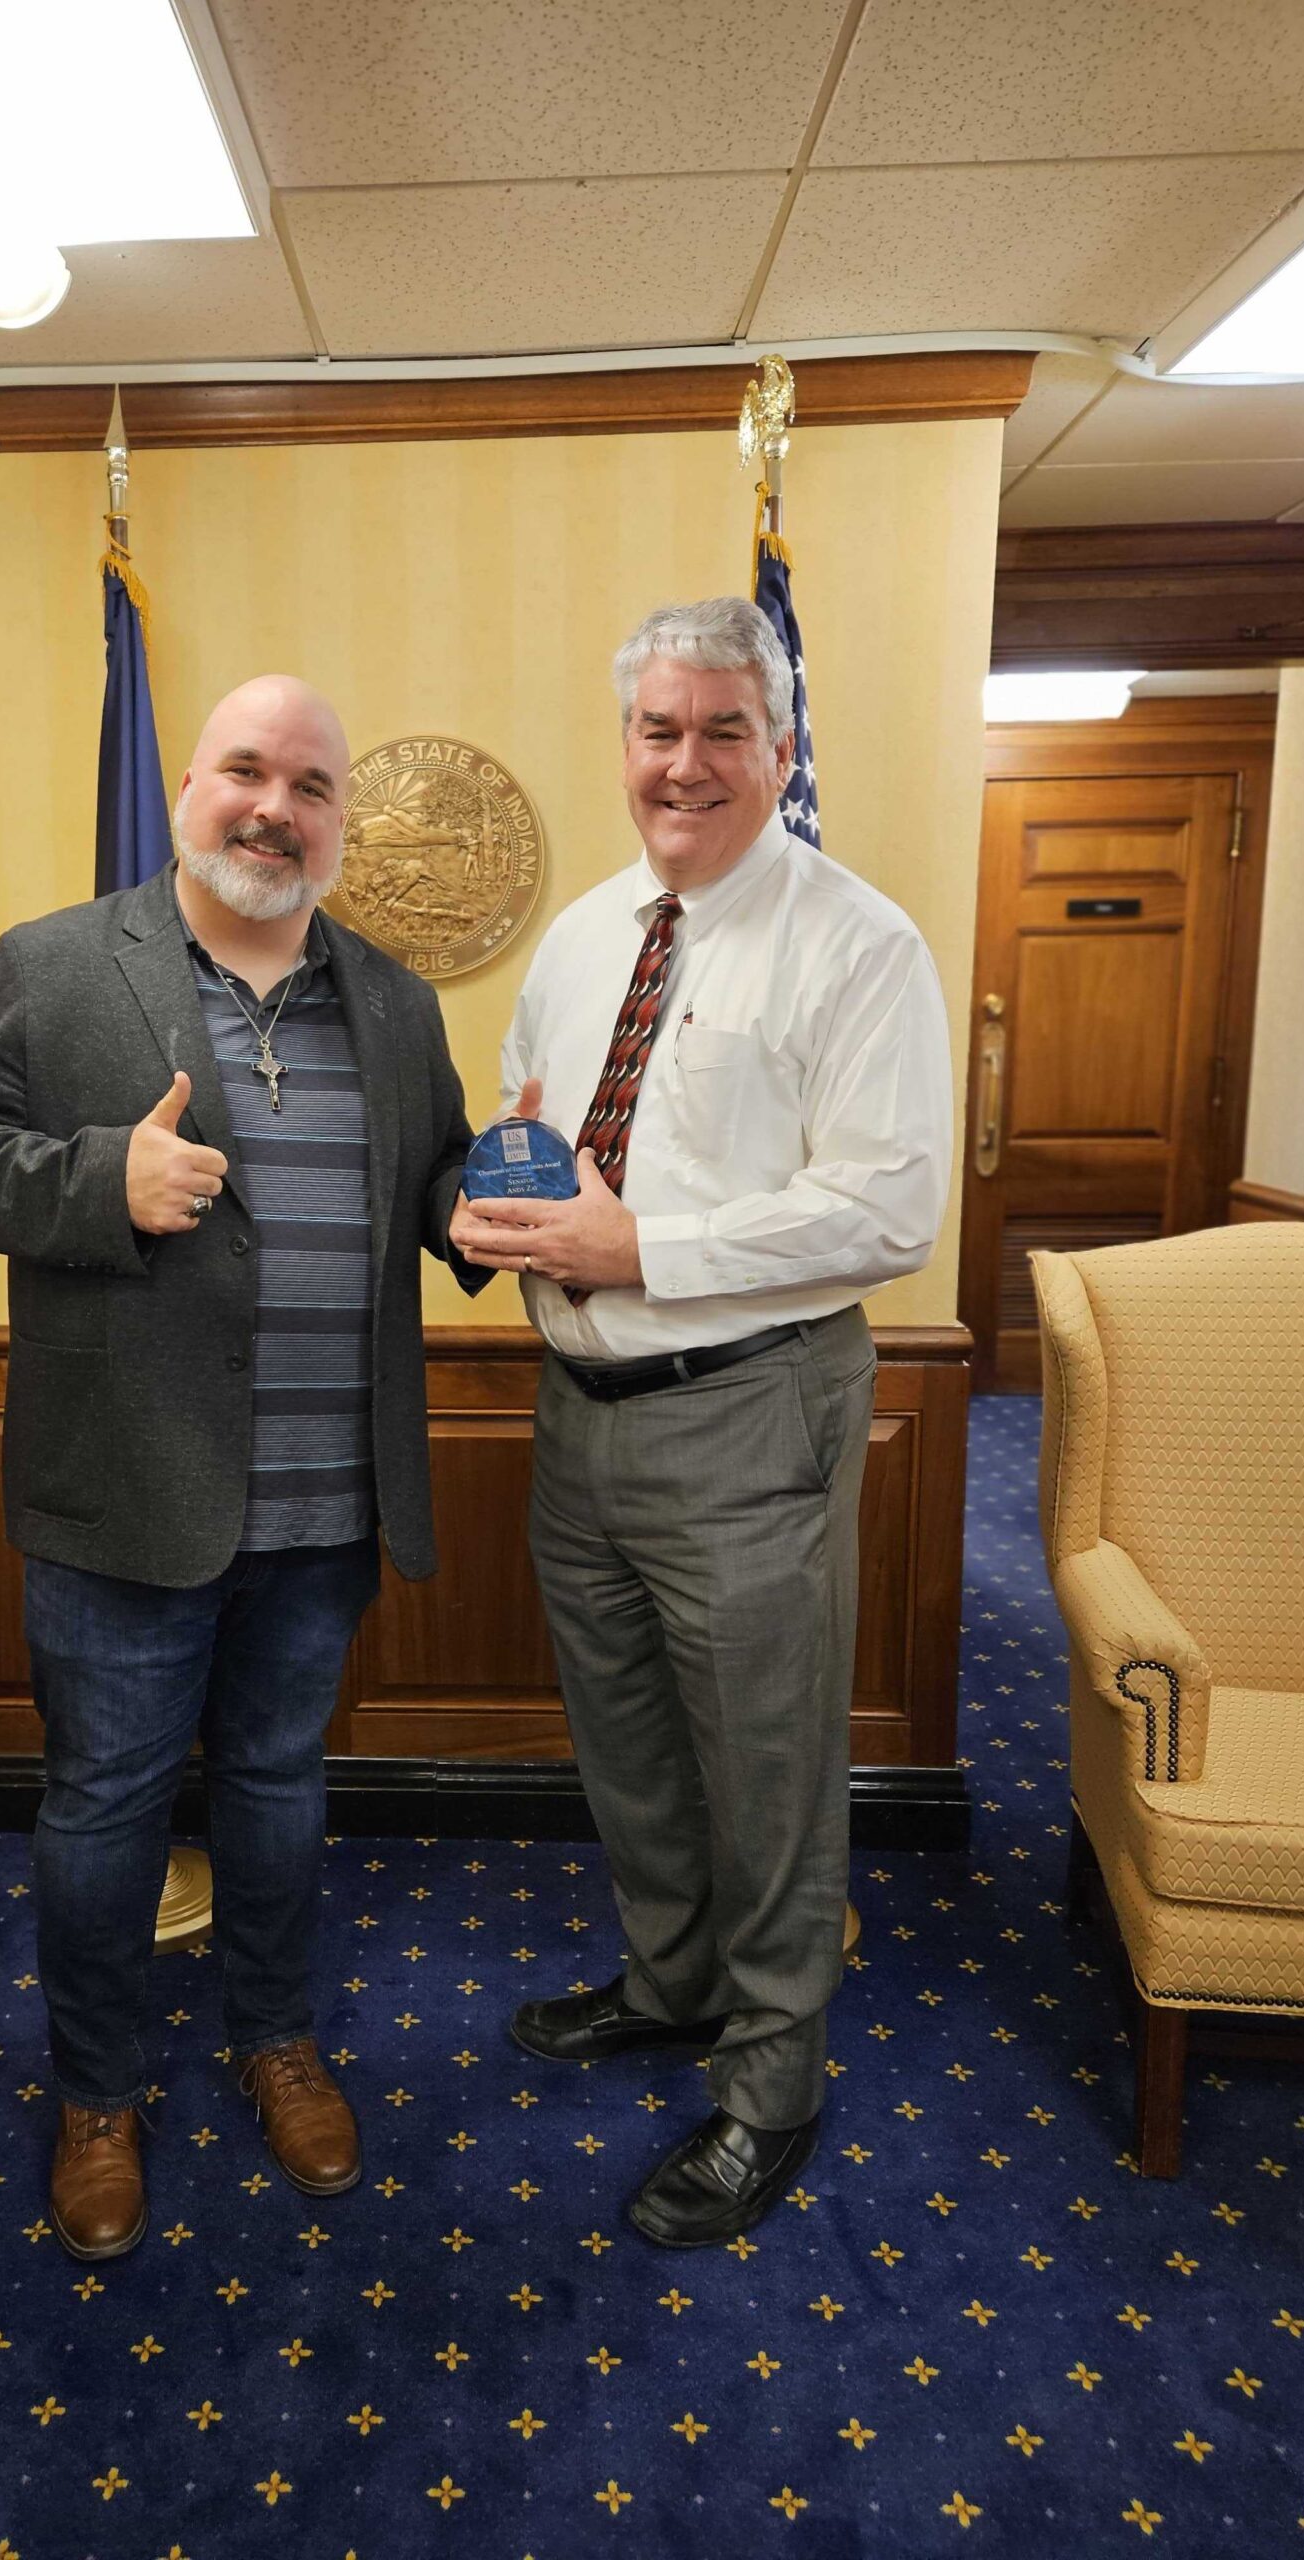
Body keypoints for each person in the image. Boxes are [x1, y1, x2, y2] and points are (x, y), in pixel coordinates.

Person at [0, 674, 484, 2261]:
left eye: (311, 785)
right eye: (246, 770)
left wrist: (485, 1204)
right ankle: (97, 2094)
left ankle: (275, 2039)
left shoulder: (396, 1002)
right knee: (104, 1808)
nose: (274, 807)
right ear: (189, 791)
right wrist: (104, 1177)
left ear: (340, 825)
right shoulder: (54, 964)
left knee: (281, 1788)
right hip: (124, 1494)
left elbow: (429, 1176)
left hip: (327, 1500)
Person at [451, 596, 954, 2246]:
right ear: (626, 745)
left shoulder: (859, 942)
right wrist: (497, 1205)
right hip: (578, 1410)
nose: (687, 763)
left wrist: (644, 1249)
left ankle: (771, 2084)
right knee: (631, 1746)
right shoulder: (585, 935)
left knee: (767, 1767)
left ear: (780, 749)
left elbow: (888, 1208)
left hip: (749, 1412)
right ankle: (670, 1984)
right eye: (659, 730)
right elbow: (535, 1122)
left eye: (724, 730)